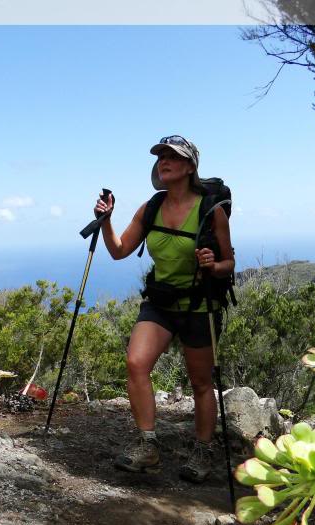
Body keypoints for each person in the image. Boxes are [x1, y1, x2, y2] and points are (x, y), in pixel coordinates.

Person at [94, 135, 234, 483]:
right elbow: (119, 250)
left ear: (189, 167)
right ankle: (148, 445)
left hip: (200, 304)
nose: (164, 162)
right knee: (136, 363)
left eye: (173, 157)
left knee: (201, 382)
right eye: (161, 157)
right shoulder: (151, 208)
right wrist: (106, 220)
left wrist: (213, 265)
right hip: (160, 303)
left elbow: (229, 263)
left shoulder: (211, 210)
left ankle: (203, 449)